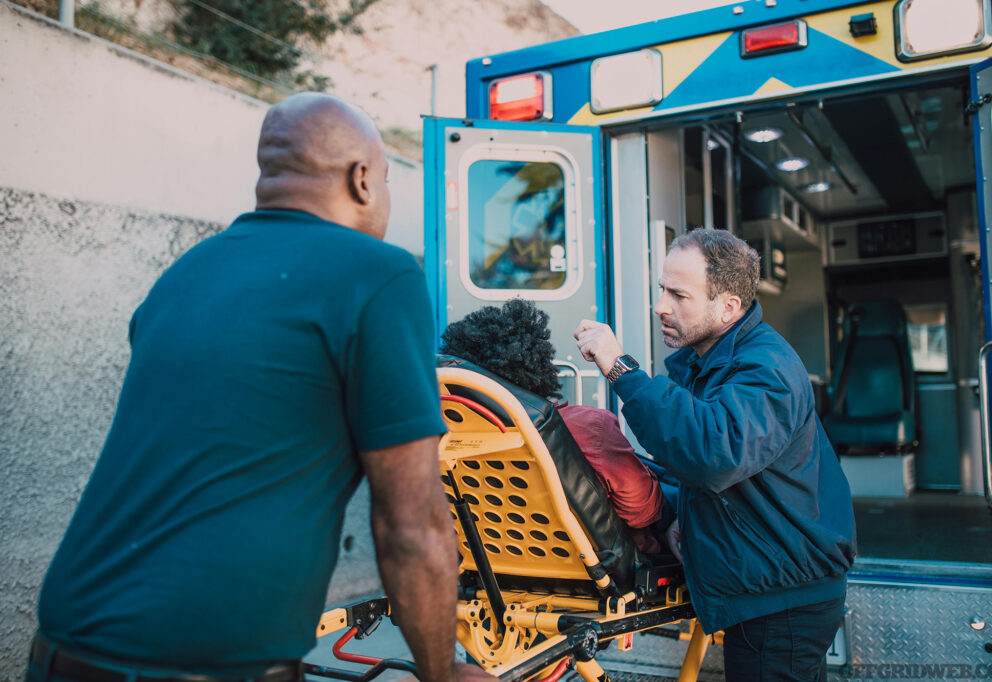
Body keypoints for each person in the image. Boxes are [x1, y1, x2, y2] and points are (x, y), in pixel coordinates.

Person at [29, 93, 492, 682]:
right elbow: (410, 523)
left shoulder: (186, 272)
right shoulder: (378, 275)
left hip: (63, 643)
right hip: (205, 662)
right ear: (362, 181)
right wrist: (441, 672)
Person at [574, 228, 856, 682]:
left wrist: (622, 369)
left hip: (783, 599)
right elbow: (688, 469)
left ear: (728, 307)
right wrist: (676, 518)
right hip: (762, 583)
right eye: (662, 289)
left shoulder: (767, 368)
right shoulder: (701, 363)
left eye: (678, 295)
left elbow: (711, 453)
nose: (660, 305)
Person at [439, 298, 668, 554]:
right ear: (539, 363)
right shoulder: (589, 426)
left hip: (499, 567)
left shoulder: (453, 440)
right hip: (599, 571)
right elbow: (643, 512)